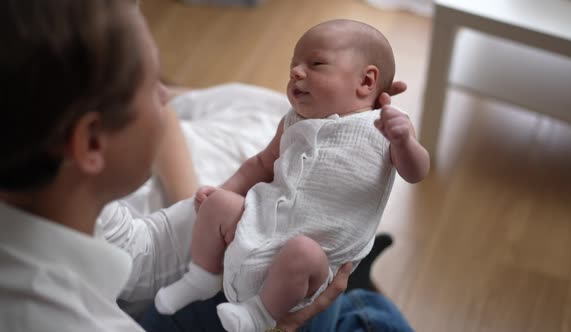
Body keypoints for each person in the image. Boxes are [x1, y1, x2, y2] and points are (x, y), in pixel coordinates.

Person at [0, 1, 352, 331]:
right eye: (154, 86)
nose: (168, 98)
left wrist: (227, 213)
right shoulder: (67, 320)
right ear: (91, 142)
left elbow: (140, 252)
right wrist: (282, 326)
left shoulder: (54, 202)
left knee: (357, 308)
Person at [154, 19, 429, 332]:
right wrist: (223, 190)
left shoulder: (387, 126)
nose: (297, 73)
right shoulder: (293, 121)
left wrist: (405, 142)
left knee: (304, 253)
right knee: (220, 204)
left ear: (367, 81)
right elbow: (260, 163)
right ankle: (200, 277)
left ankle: (258, 312)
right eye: (293, 68)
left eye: (316, 63)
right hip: (260, 227)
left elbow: (416, 172)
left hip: (314, 257)